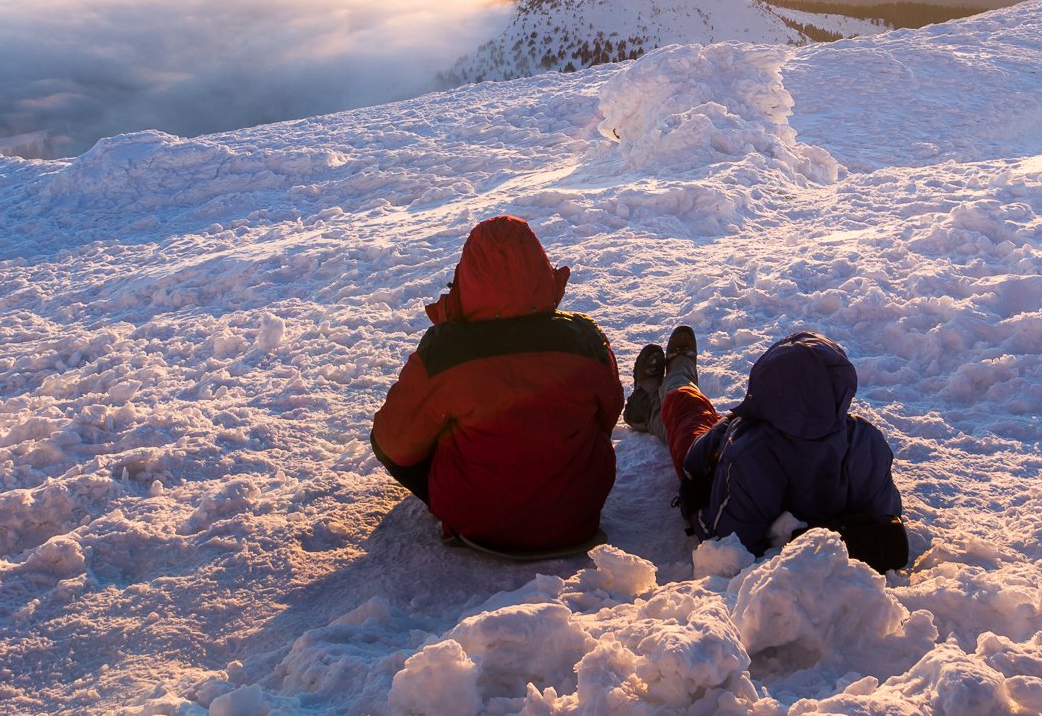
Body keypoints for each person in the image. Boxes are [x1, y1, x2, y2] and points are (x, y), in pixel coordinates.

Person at [371, 216, 623, 552]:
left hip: (477, 523)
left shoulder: (446, 351)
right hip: (577, 516)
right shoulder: (585, 338)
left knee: (402, 430)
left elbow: (393, 442)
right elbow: (608, 413)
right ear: (539, 267)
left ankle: (470, 502)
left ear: (469, 275)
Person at [625, 325, 908, 571]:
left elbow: (727, 543)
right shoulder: (866, 440)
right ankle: (655, 402)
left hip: (717, 460)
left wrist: (694, 503)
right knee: (699, 420)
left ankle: (672, 383)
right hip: (743, 450)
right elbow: (887, 512)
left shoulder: (750, 453)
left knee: (689, 417)